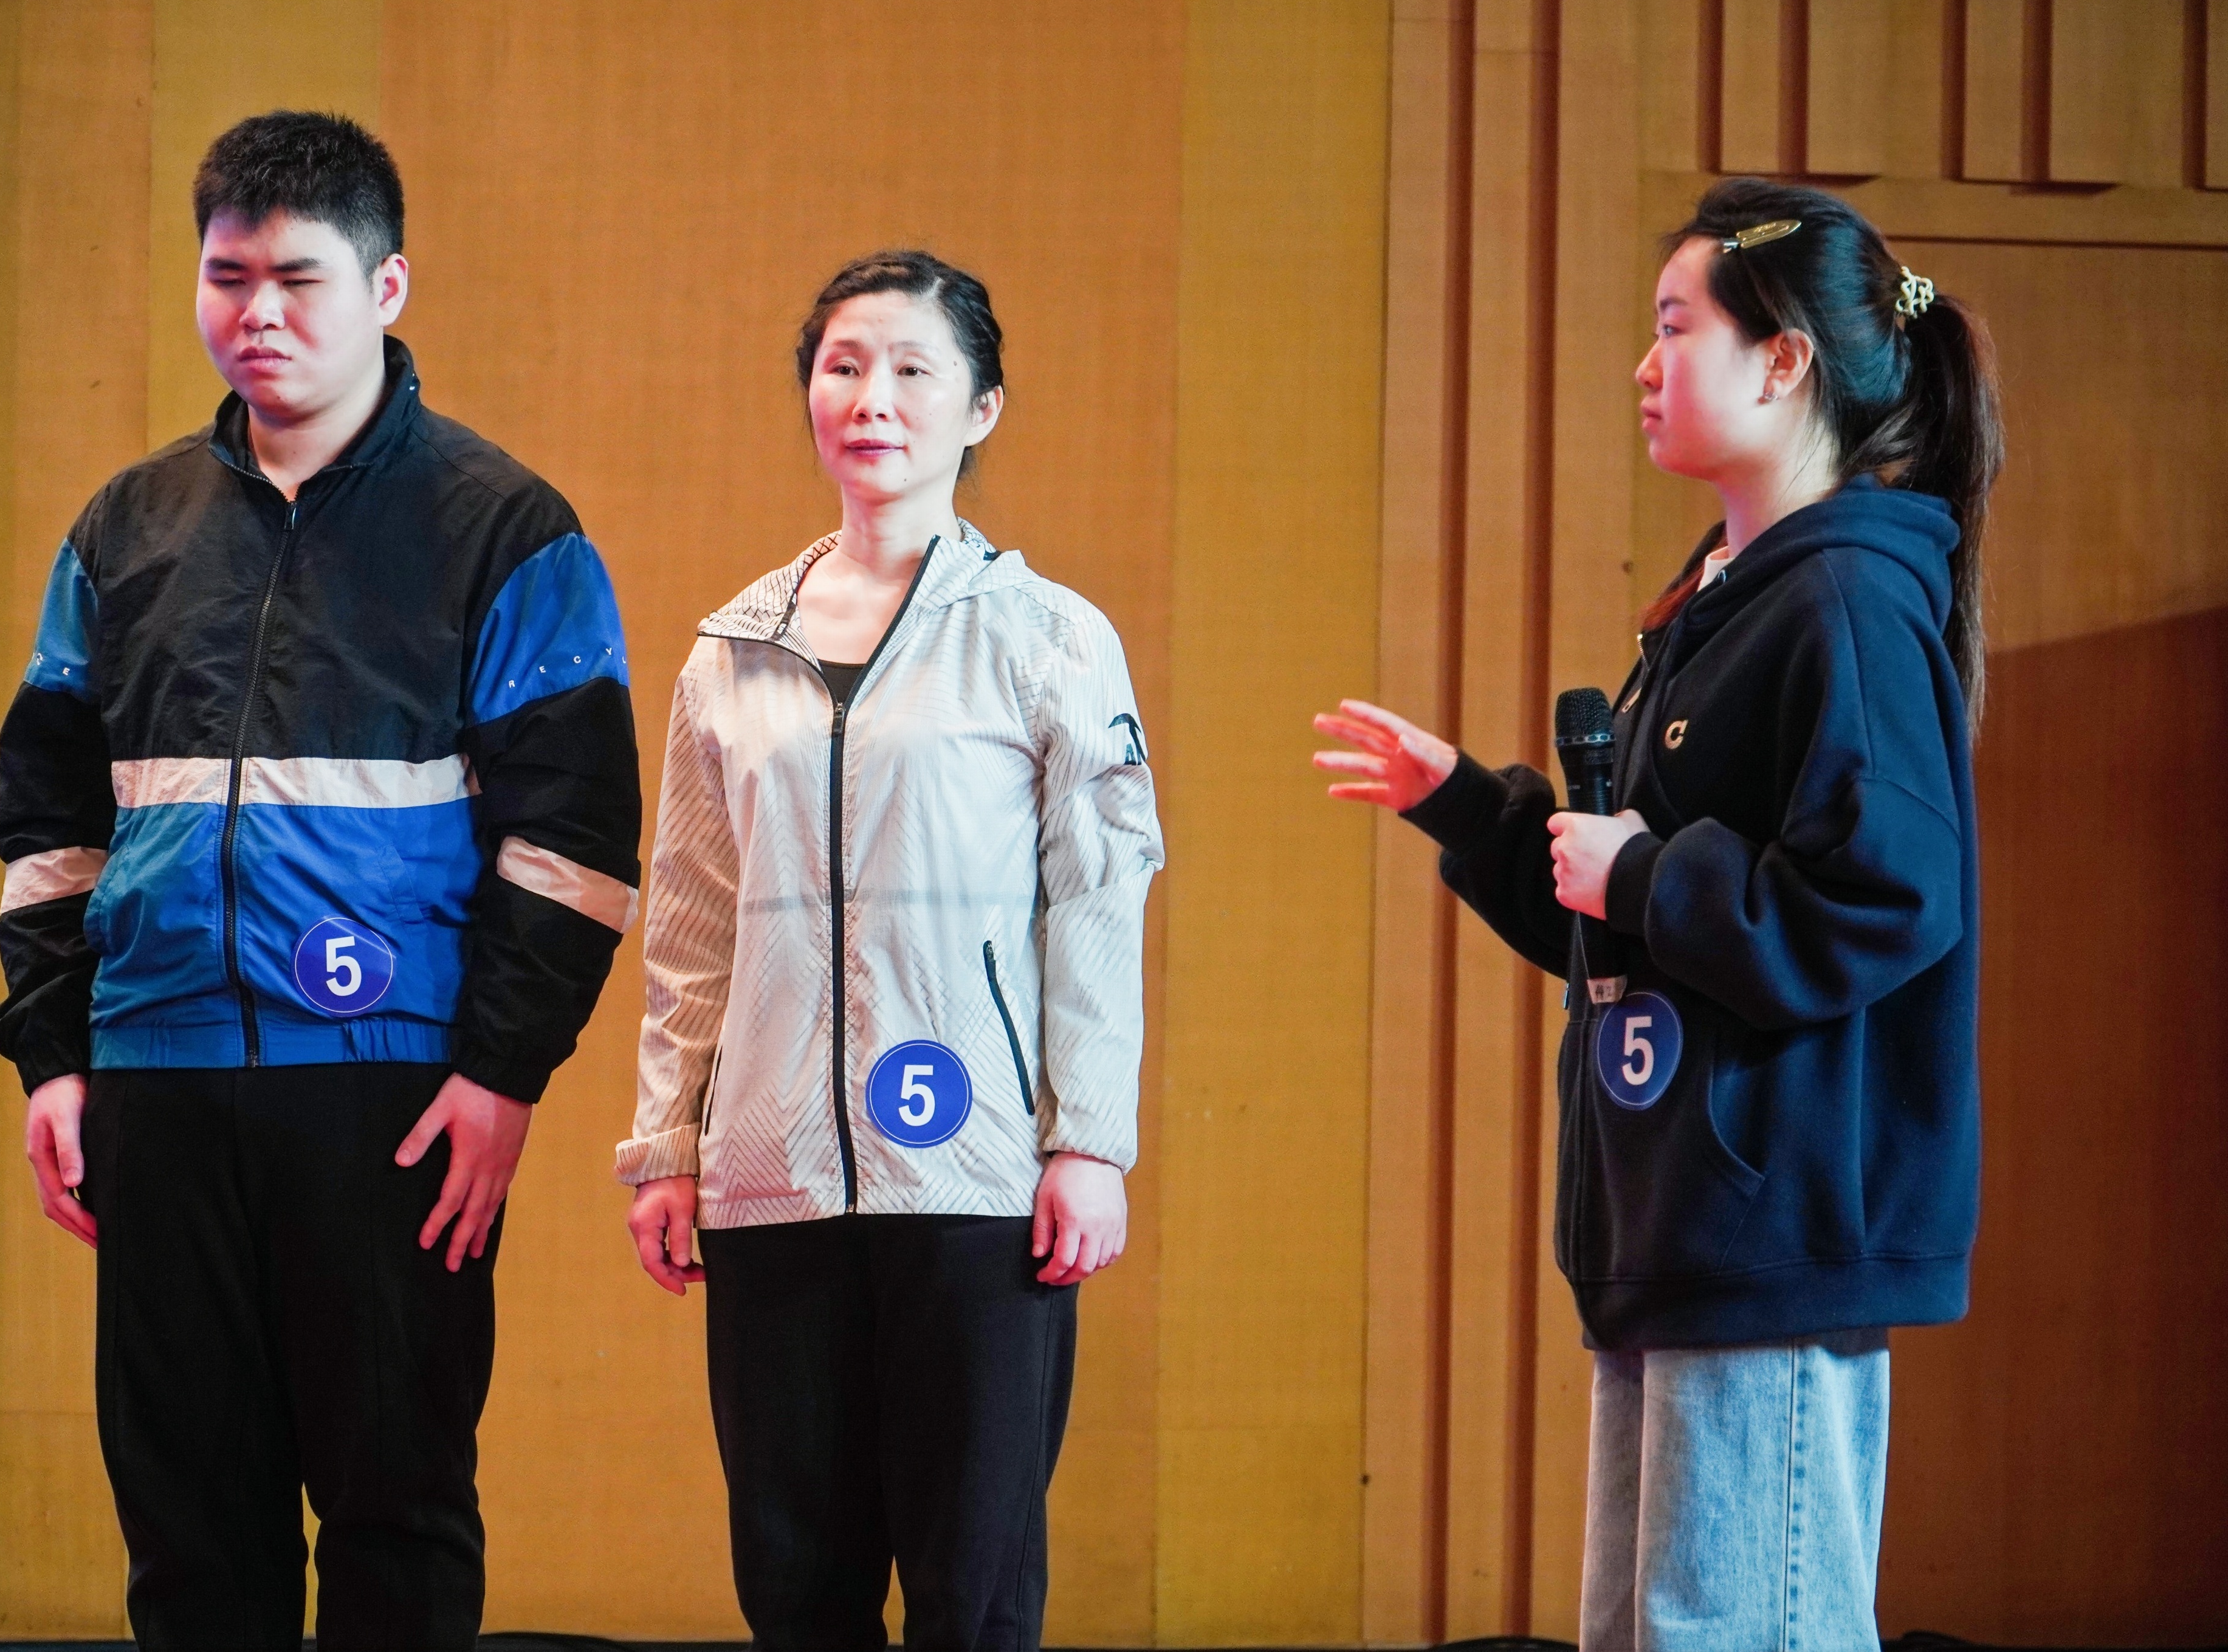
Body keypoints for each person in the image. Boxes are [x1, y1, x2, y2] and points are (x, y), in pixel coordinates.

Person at [1315, 177, 2002, 1650]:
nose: (1643, 363)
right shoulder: (1725, 600)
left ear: (1782, 360)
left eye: (1675, 326)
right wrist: (1472, 809)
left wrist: (1643, 872)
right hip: (1678, 1219)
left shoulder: (1845, 599)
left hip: (1771, 1227)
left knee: (1731, 1626)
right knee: (1651, 1625)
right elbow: (1633, 917)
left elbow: (1883, 895)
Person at [0, 111, 642, 1651]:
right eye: (227, 277)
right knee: (187, 1527)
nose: (258, 314)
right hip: (155, 1081)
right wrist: (55, 1055)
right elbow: (51, 821)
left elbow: (572, 839)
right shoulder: (124, 529)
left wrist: (503, 1072)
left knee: (395, 1506)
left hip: (392, 1095)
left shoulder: (506, 529)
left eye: (298, 278)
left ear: (386, 286)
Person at [619, 249, 1162, 1651]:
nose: (872, 397)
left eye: (914, 368)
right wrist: (668, 1144)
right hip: (770, 1177)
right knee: (796, 1586)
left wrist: (1089, 1141)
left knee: (970, 1587)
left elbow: (1099, 896)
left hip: (974, 1177)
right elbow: (689, 918)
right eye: (844, 365)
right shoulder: (730, 652)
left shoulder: (1048, 637)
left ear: (980, 408)